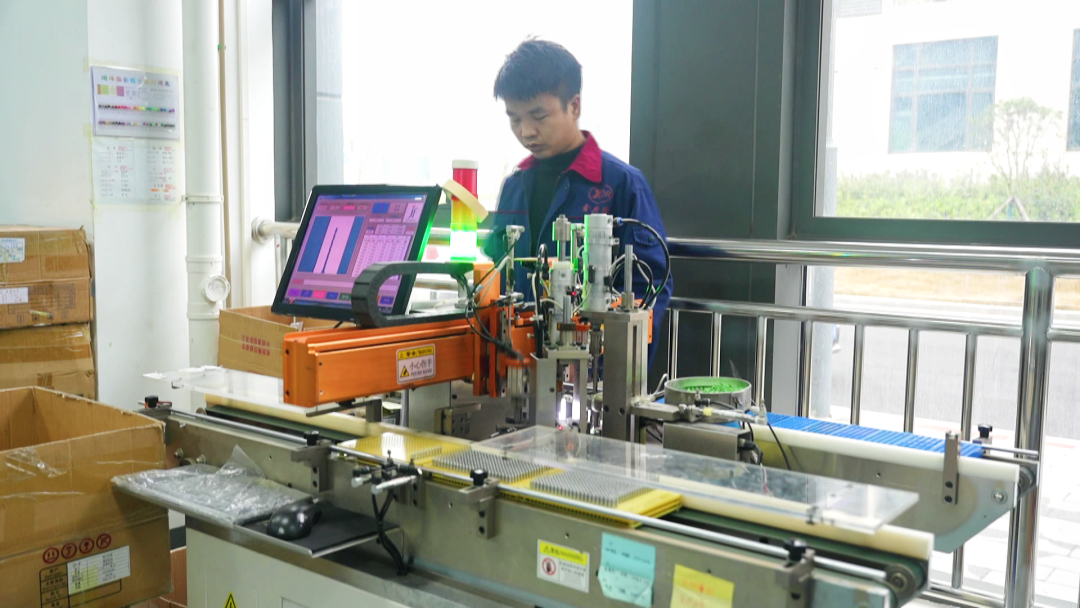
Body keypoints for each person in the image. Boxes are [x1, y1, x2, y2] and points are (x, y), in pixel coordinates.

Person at [484, 38, 674, 364]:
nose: (526, 131)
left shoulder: (621, 185)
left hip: (590, 372)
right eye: (515, 118)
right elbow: (494, 276)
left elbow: (649, 288)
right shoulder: (515, 186)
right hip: (516, 366)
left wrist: (611, 370)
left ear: (574, 106)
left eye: (538, 116)